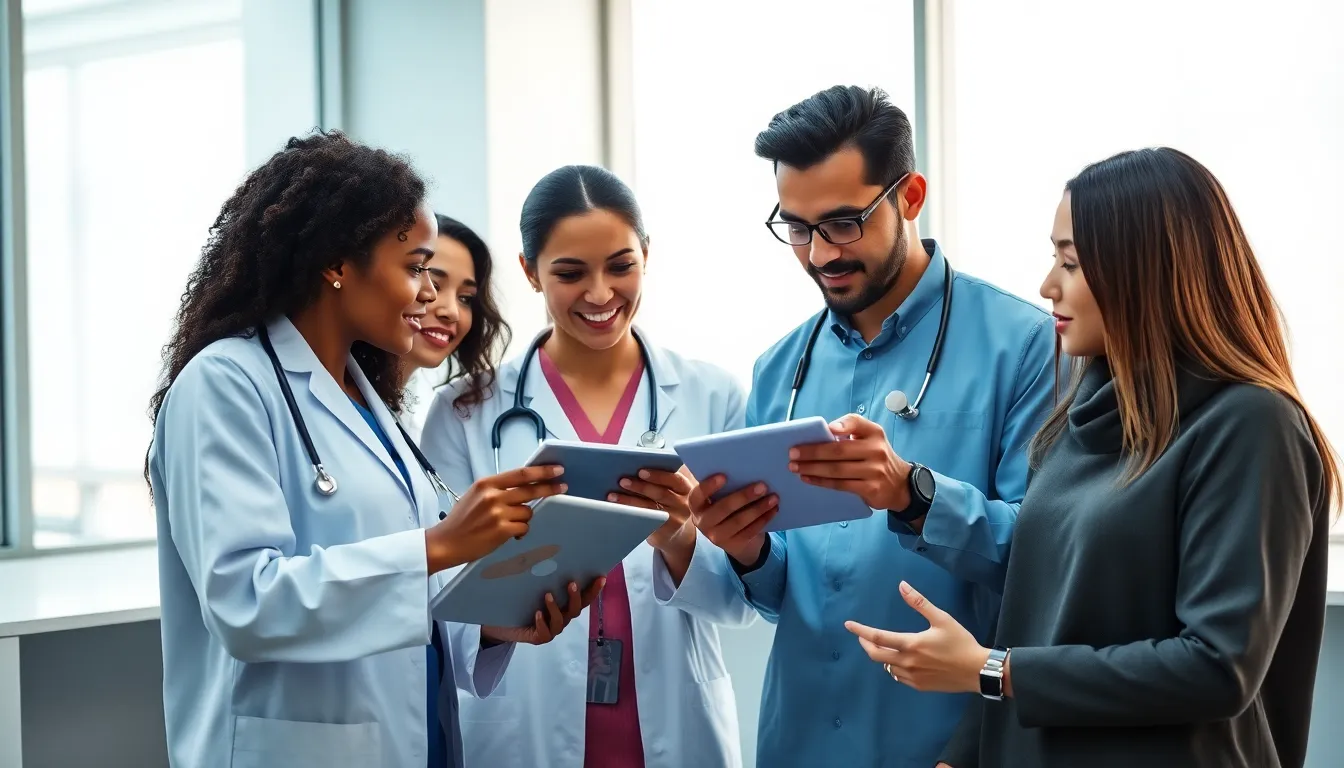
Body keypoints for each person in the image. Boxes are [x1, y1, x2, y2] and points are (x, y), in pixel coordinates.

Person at [846, 147, 1341, 768]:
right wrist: (960, 755)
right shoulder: (1075, 419)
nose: (1047, 285)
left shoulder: (1252, 425)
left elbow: (1218, 667)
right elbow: (1028, 623)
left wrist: (992, 671)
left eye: (1072, 263)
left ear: (1148, 274)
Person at [146, 132, 601, 768]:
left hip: (414, 741)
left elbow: (399, 599)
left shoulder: (371, 402)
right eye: (415, 267)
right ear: (337, 263)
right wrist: (441, 544)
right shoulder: (224, 384)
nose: (429, 294)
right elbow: (245, 602)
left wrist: (492, 626)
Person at [687, 85, 1058, 766]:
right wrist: (748, 550)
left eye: (843, 222)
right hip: (799, 742)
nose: (819, 254)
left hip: (946, 744)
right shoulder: (779, 369)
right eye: (797, 228)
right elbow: (785, 595)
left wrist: (913, 493)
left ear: (909, 197)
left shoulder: (1027, 345)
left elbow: (1047, 561)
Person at [420, 164, 757, 768]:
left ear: (647, 255)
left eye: (621, 266)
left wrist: (679, 539)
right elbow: (437, 595)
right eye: (570, 273)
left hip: (676, 726)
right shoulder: (464, 412)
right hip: (523, 725)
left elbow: (742, 599)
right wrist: (502, 615)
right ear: (530, 272)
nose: (600, 294)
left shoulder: (713, 396)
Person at [399, 213, 511, 440]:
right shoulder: (337, 400)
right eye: (434, 285)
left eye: (465, 298)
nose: (452, 312)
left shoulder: (407, 422)